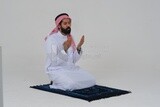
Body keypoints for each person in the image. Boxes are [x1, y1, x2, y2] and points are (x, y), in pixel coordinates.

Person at [44, 13, 96, 91]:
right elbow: (54, 61)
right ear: (59, 26)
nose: (68, 25)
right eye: (65, 23)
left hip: (71, 69)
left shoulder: (70, 38)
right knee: (71, 84)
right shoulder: (51, 39)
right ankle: (55, 84)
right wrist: (64, 49)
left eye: (69, 23)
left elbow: (73, 60)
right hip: (56, 70)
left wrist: (78, 47)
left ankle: (64, 81)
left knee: (91, 80)